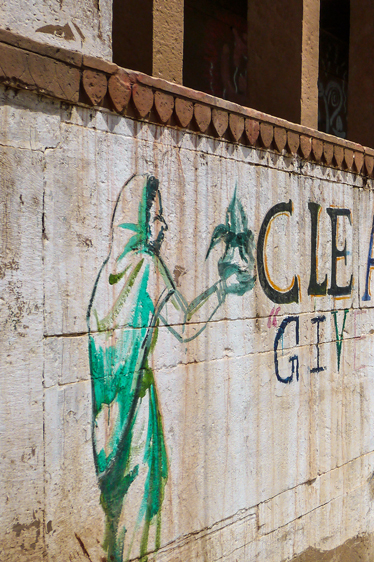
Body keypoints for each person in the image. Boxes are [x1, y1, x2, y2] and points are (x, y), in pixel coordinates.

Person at [87, 174, 256, 562]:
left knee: (118, 522)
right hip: (136, 418)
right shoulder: (145, 267)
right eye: (157, 215)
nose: (164, 225)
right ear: (138, 219)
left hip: (108, 428)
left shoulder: (106, 277)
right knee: (140, 516)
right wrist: (222, 291)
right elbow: (184, 325)